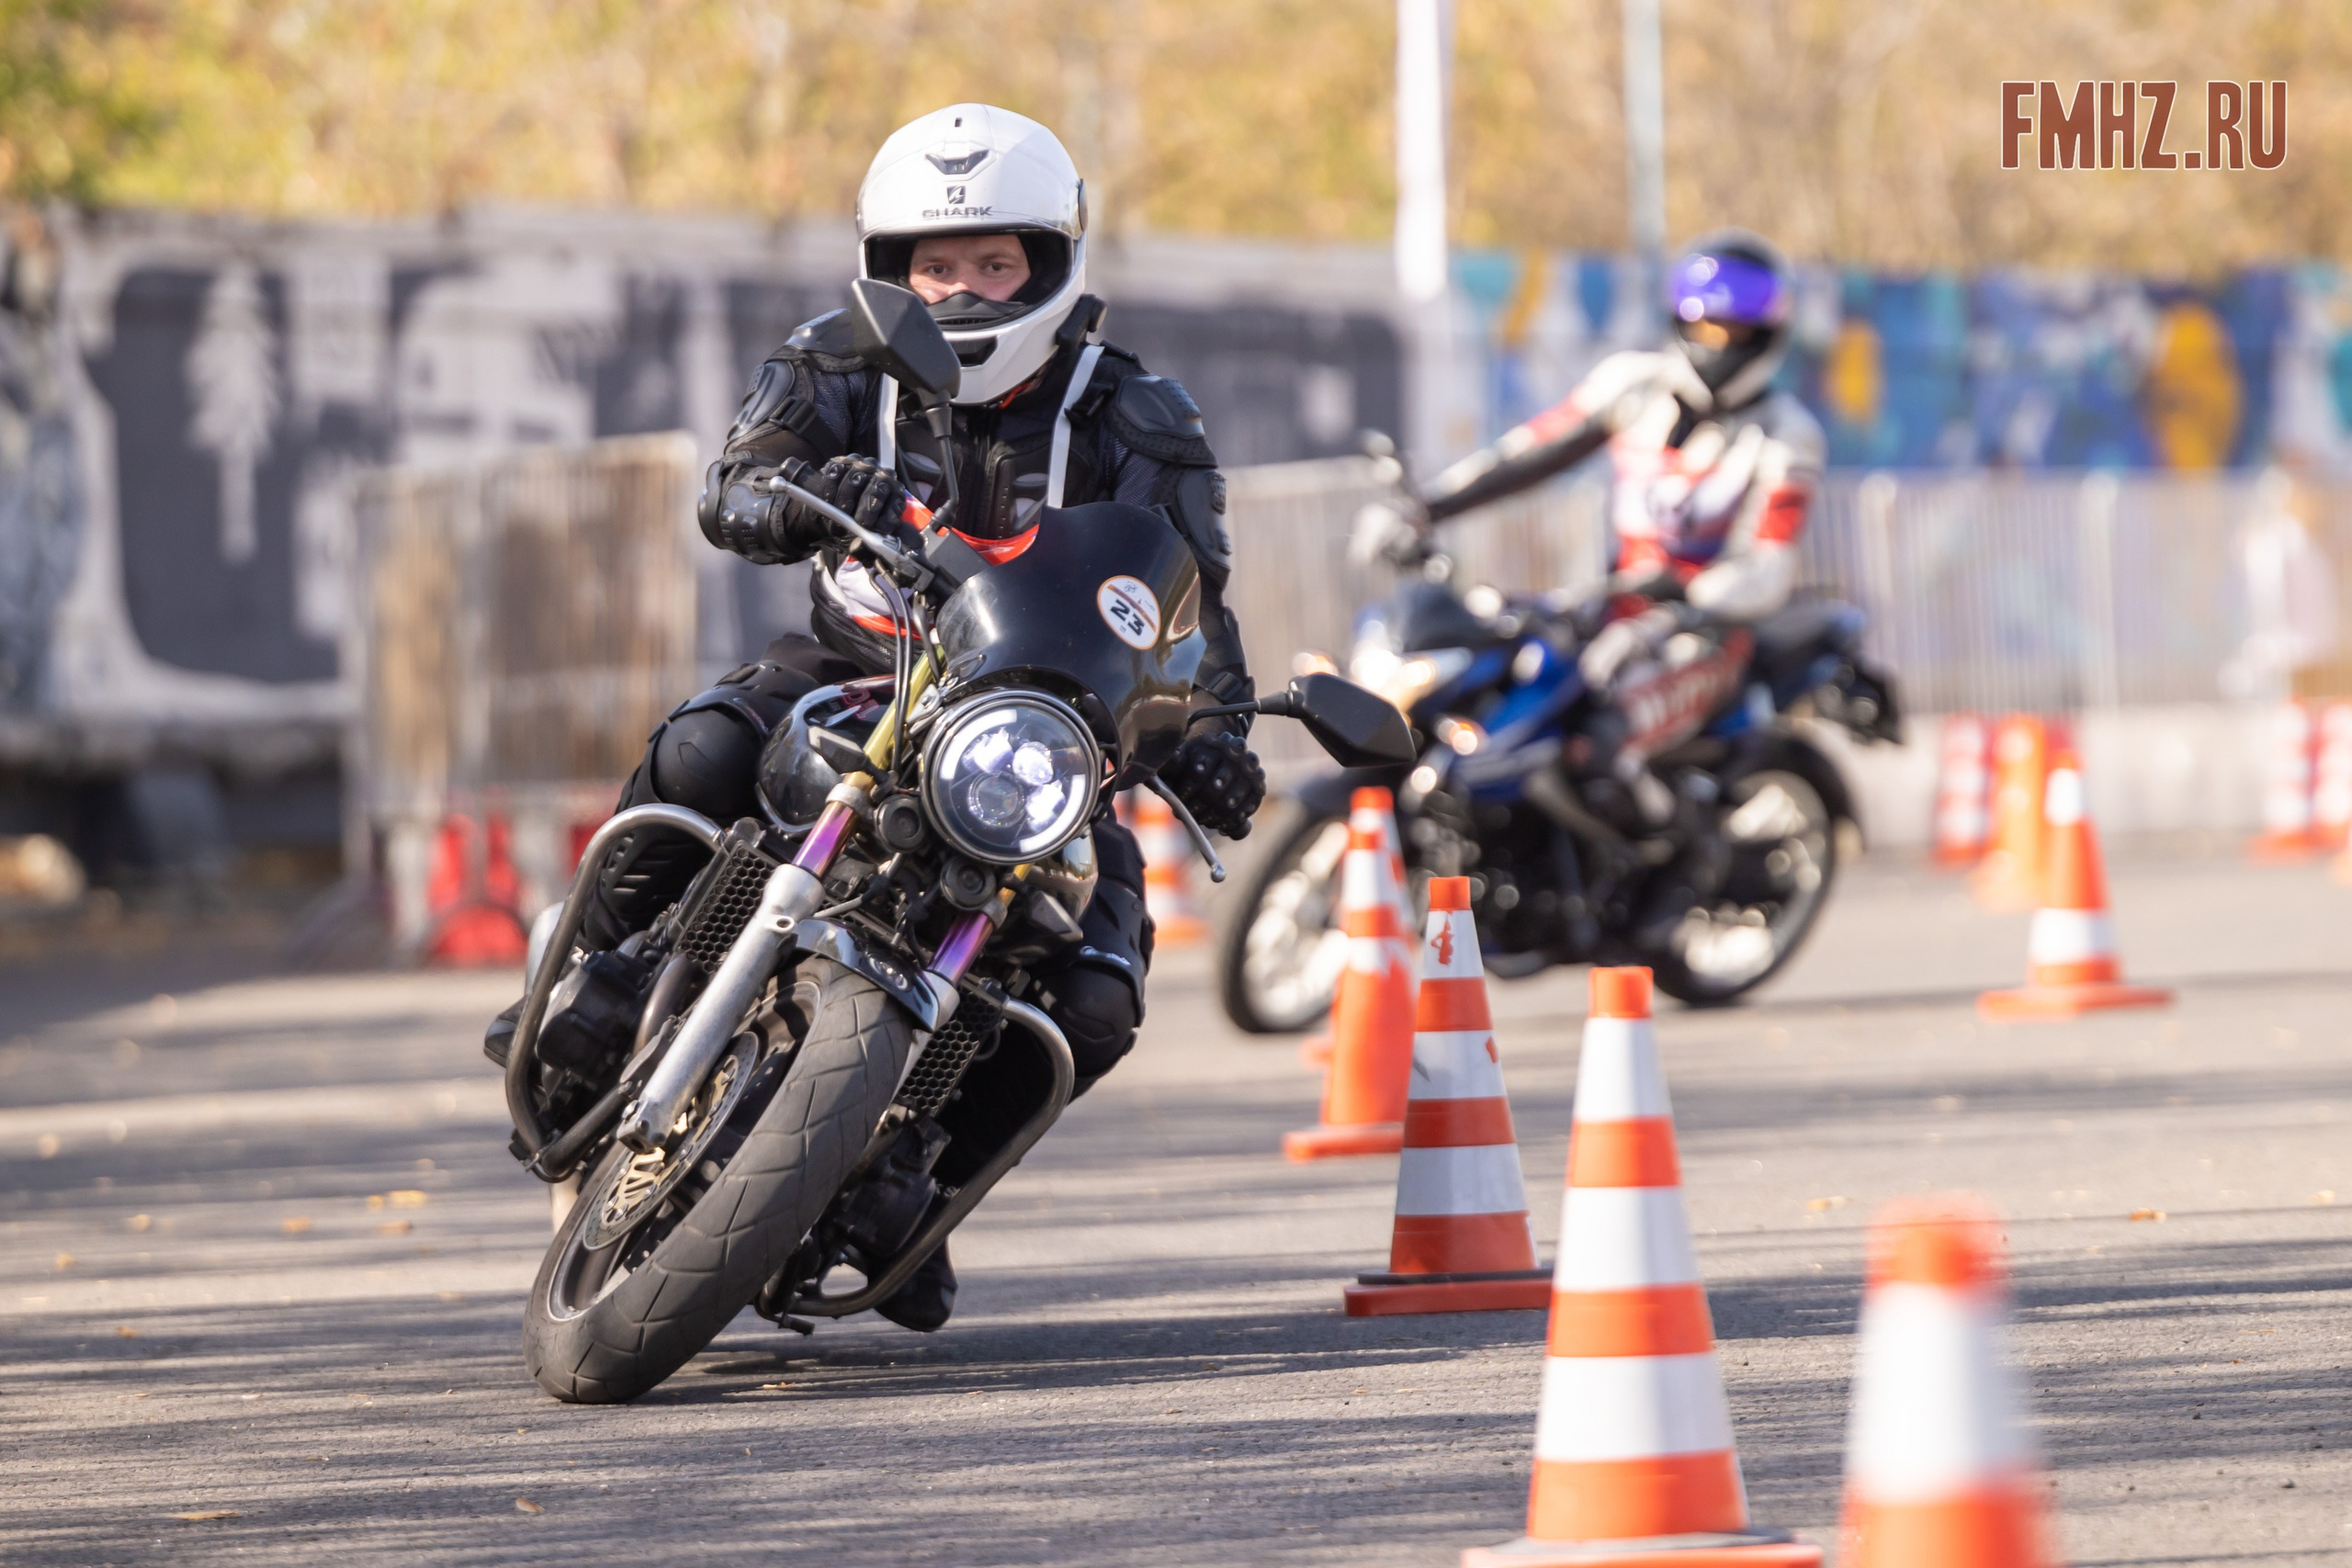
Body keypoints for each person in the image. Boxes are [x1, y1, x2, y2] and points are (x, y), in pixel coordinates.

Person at [558, 104, 1265, 1331]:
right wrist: (789, 490)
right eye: (937, 266)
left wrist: (1214, 728)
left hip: (1041, 737)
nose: (966, 289)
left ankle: (912, 1177)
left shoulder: (1137, 412)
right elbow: (736, 477)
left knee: (1096, 989)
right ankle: (597, 985)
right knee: (706, 746)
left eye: (997, 263)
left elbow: (1190, 604)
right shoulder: (840, 357)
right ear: (893, 269)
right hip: (856, 675)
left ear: (1049, 261)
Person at [1416, 230, 1824, 840]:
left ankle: (1671, 875)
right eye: (1706, 326)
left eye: (1734, 332)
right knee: (1497, 692)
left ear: (1766, 336)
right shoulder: (1635, 385)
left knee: (1604, 741)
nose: (1718, 344)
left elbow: (1768, 561)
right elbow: (1530, 452)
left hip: (1704, 637)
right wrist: (1424, 508)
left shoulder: (1787, 432)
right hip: (1604, 607)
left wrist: (1688, 593)